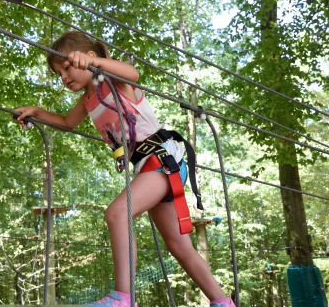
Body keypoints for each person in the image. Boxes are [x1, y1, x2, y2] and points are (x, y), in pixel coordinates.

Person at [14, 31, 235, 307]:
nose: (64, 77)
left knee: (118, 213)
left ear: (88, 58)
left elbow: (133, 73)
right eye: (59, 74)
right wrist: (37, 111)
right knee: (179, 246)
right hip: (150, 169)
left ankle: (123, 297)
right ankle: (223, 302)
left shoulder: (113, 82)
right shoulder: (87, 100)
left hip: (162, 160)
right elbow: (67, 122)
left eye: (67, 67)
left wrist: (98, 65)